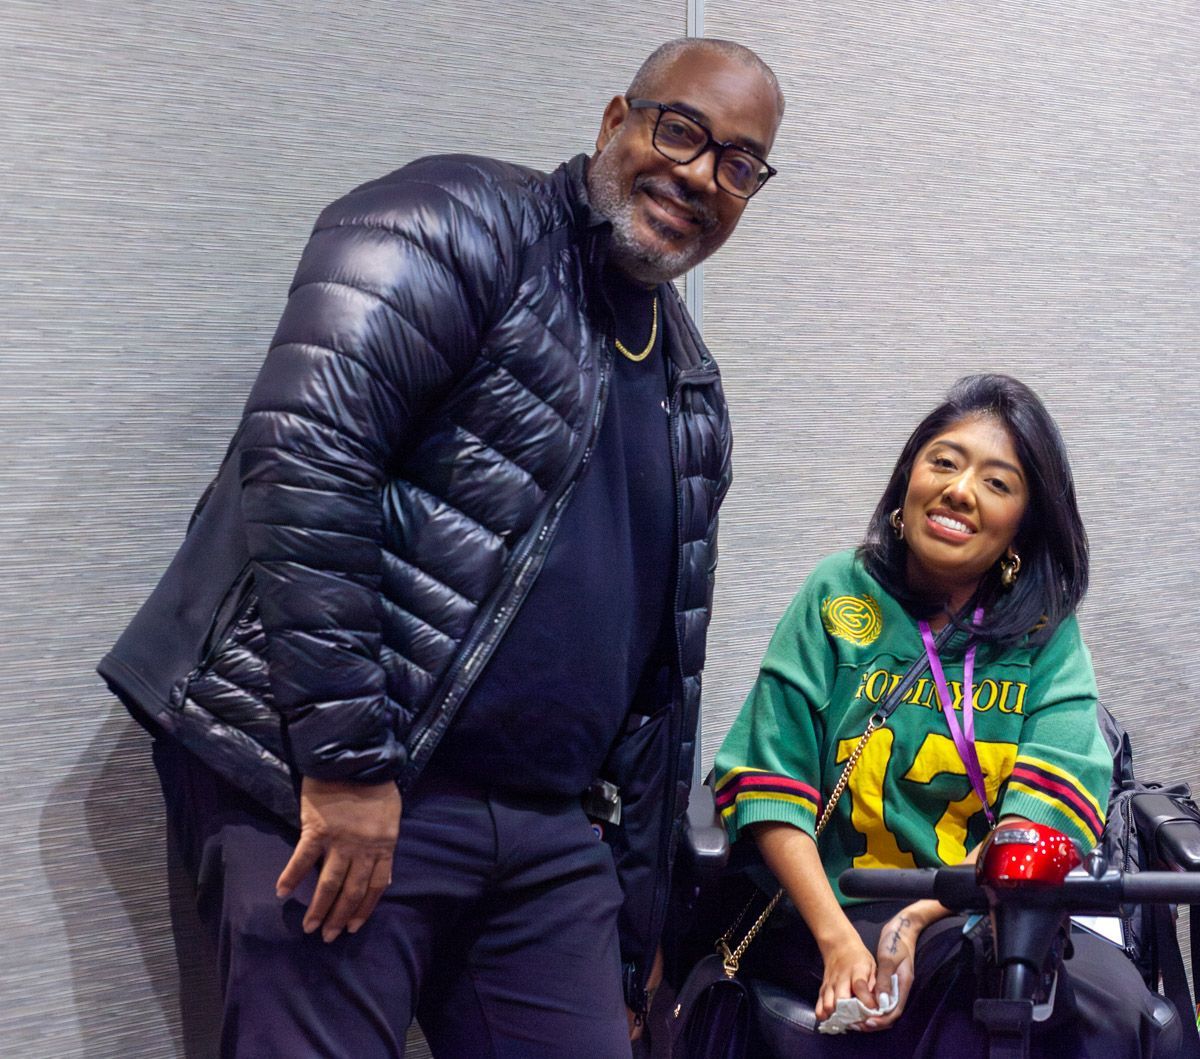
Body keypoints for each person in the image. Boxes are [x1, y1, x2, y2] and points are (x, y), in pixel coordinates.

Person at [98, 37, 784, 1059]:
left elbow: (660, 673)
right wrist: (345, 769)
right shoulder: (459, 222)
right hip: (327, 785)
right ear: (615, 121)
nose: (699, 175)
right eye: (680, 130)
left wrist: (635, 924)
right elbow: (306, 457)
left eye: (739, 163)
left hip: (549, 834)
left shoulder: (692, 386)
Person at [713, 374, 1176, 1056]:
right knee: (974, 1004)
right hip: (835, 911)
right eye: (945, 462)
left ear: (1022, 524)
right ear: (909, 479)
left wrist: (922, 917)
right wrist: (838, 939)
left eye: (997, 482)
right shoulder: (836, 593)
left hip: (989, 912)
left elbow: (1048, 807)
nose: (960, 490)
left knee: (1116, 1012)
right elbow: (768, 782)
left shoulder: (1044, 631)